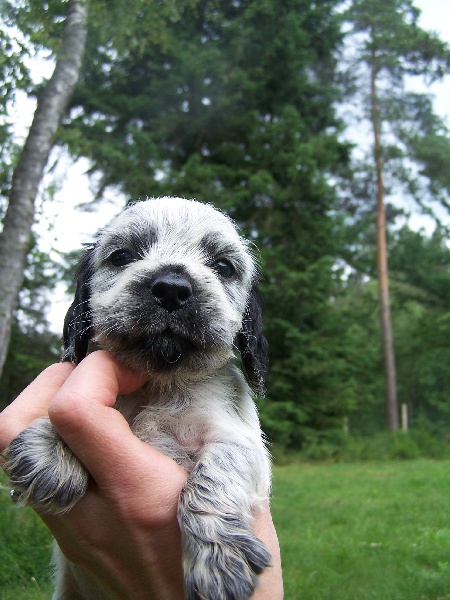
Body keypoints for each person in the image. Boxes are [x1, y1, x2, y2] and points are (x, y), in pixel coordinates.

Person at [0, 351, 283, 600]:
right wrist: (60, 439)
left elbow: (242, 451)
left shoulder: (224, 389)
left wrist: (211, 519)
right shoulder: (90, 380)